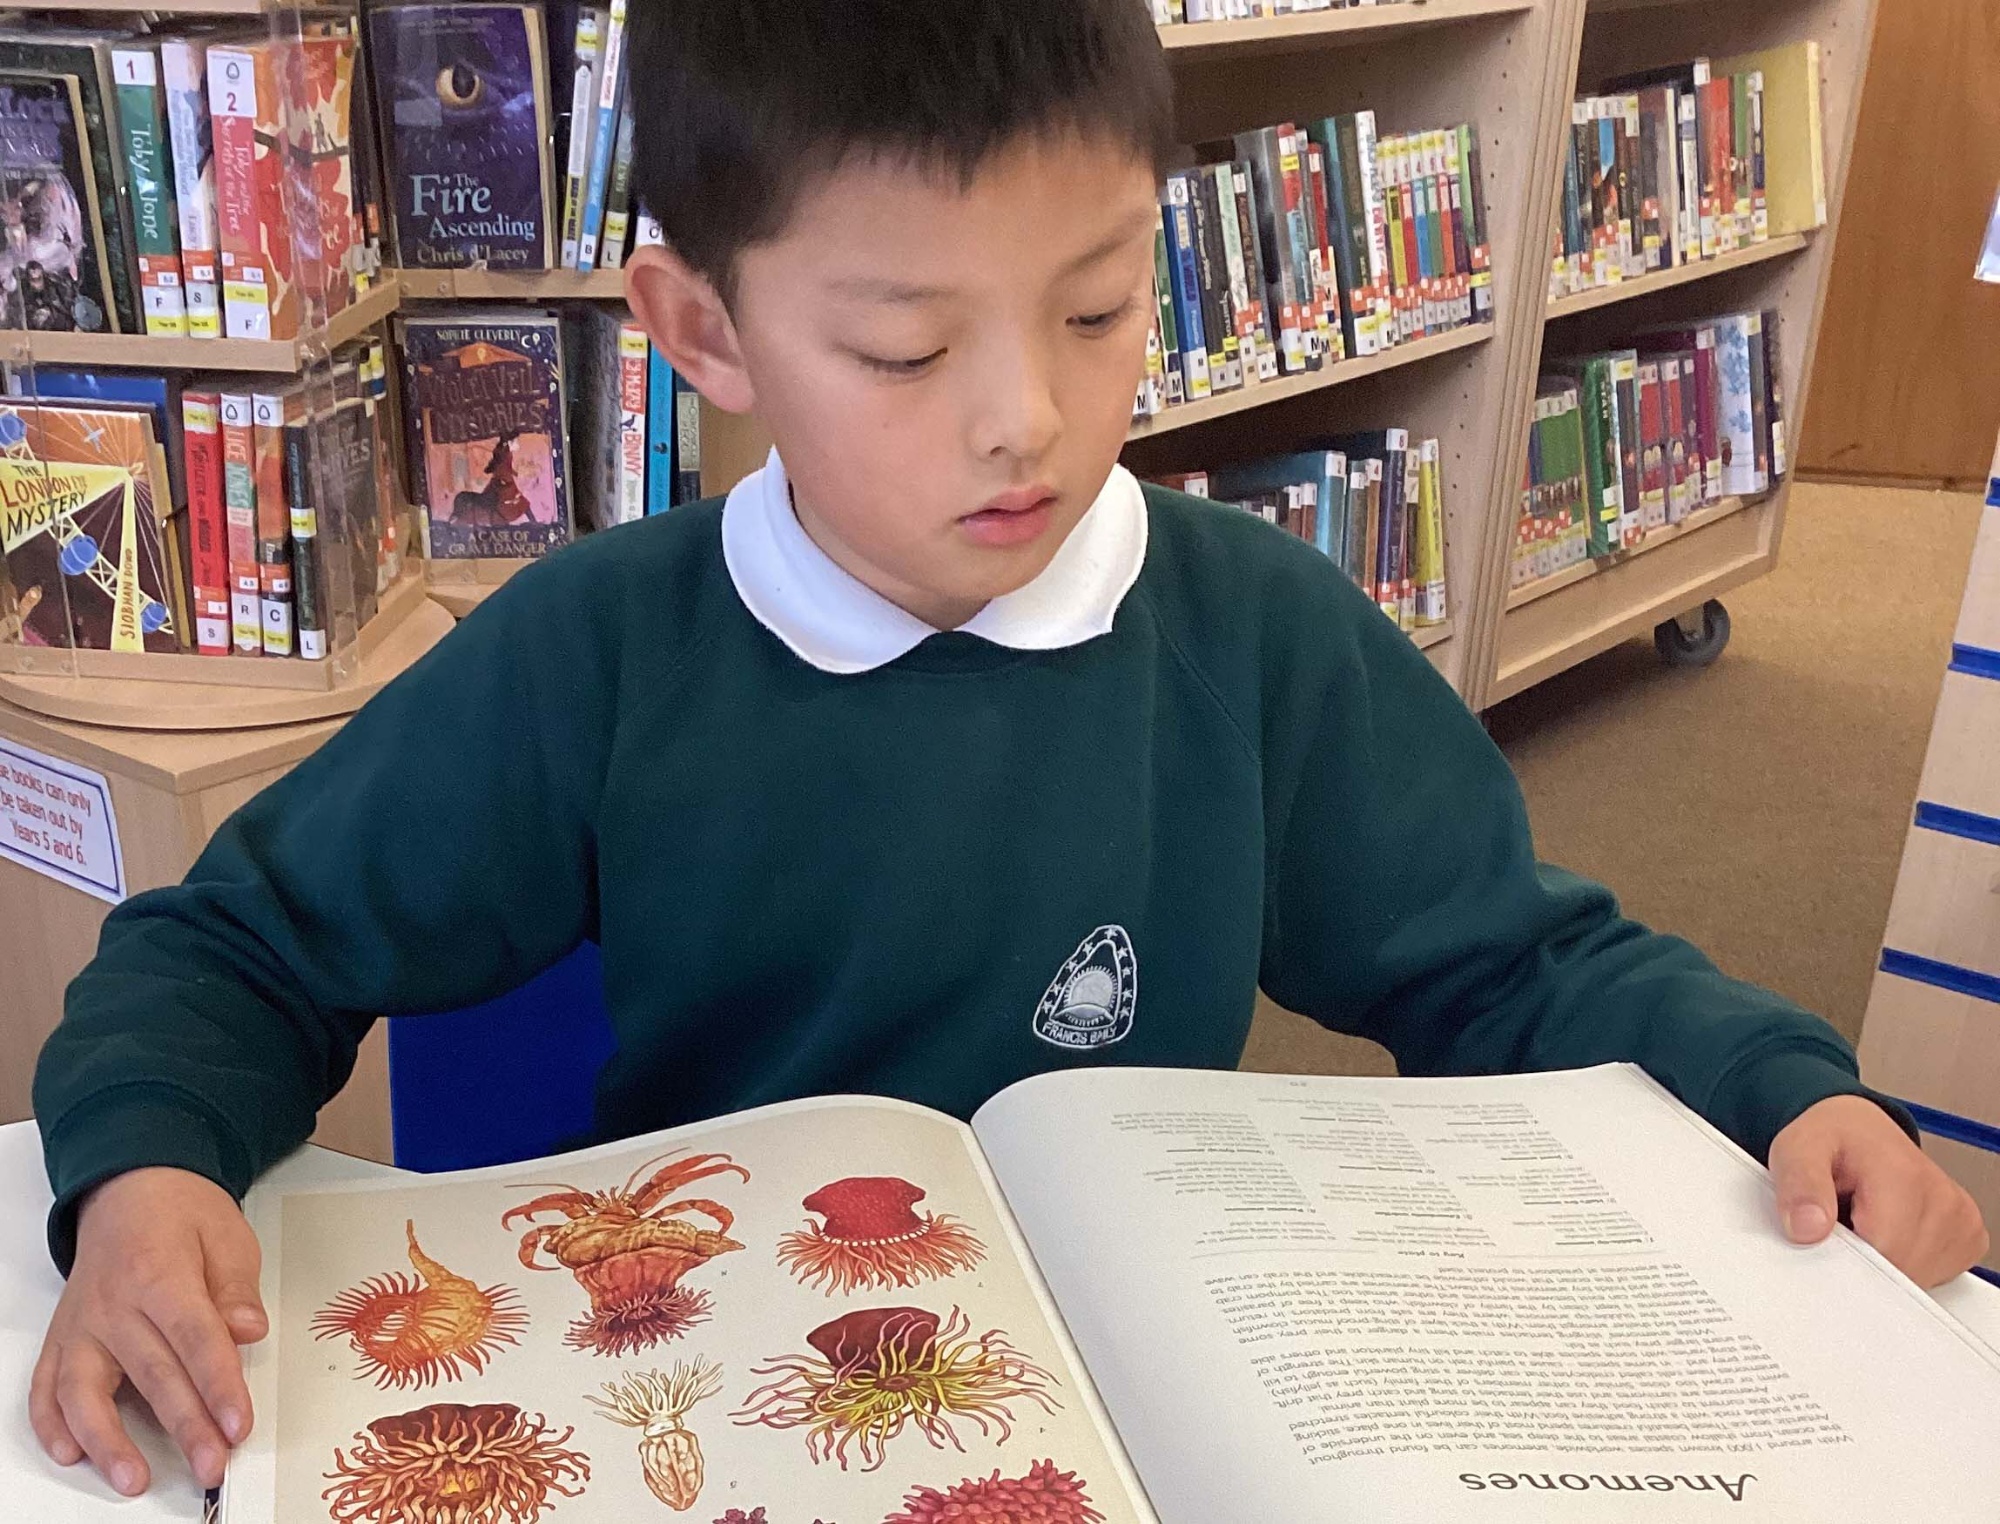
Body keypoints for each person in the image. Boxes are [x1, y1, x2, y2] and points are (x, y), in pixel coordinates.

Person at [28, 0, 1988, 1499]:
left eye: (1101, 307)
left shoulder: (1250, 633)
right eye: (904, 348)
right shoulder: (602, 652)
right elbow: (233, 954)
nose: (1024, 423)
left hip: (1133, 1402)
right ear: (700, 331)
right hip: (713, 1382)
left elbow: (1515, 957)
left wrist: (1780, 1087)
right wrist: (140, 1175)